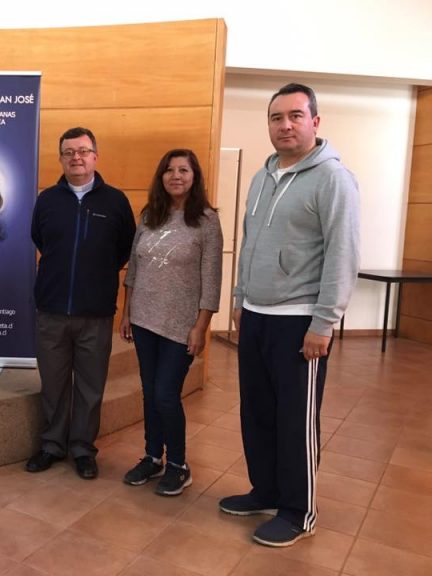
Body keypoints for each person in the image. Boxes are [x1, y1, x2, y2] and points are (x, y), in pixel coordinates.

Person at [219, 83, 360, 547]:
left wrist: (324, 323)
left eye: (295, 116)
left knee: (295, 419)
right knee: (257, 411)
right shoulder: (262, 177)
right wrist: (240, 298)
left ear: (314, 122)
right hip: (256, 315)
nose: (285, 125)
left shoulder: (333, 179)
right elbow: (249, 242)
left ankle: (299, 511)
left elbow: (342, 254)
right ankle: (266, 490)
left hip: (299, 321)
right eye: (276, 117)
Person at [27, 126, 136, 479]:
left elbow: (125, 249)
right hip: (52, 310)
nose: (76, 157)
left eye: (83, 151)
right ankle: (51, 445)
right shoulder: (47, 200)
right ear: (61, 158)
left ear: (95, 156)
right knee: (53, 384)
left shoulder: (115, 202)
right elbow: (40, 239)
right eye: (69, 152)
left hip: (96, 312)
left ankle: (82, 449)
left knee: (90, 387)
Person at [119, 149, 222, 496]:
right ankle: (153, 457)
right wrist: (127, 312)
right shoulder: (150, 215)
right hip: (144, 318)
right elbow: (134, 268)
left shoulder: (207, 221)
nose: (176, 176)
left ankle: (178, 464)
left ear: (194, 177)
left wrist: (201, 327)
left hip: (181, 324)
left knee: (166, 394)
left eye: (183, 170)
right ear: (161, 176)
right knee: (150, 392)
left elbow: (212, 279)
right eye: (169, 170)